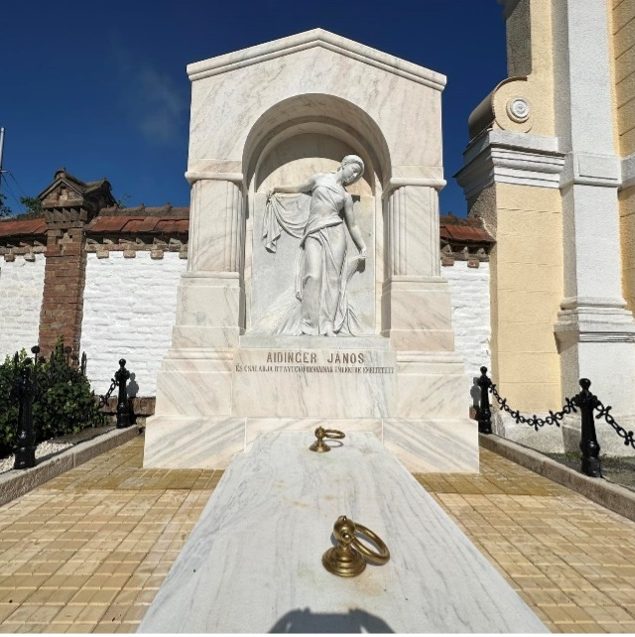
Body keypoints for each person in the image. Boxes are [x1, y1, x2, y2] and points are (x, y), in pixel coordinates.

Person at [265, 155, 367, 336]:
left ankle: (327, 325)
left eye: (357, 175)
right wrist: (277, 188)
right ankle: (308, 324)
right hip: (314, 230)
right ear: (344, 165)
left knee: (333, 279)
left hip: (335, 232)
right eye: (353, 170)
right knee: (313, 276)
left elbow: (352, 225)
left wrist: (362, 246)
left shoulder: (345, 196)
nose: (353, 176)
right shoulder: (320, 178)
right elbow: (299, 187)